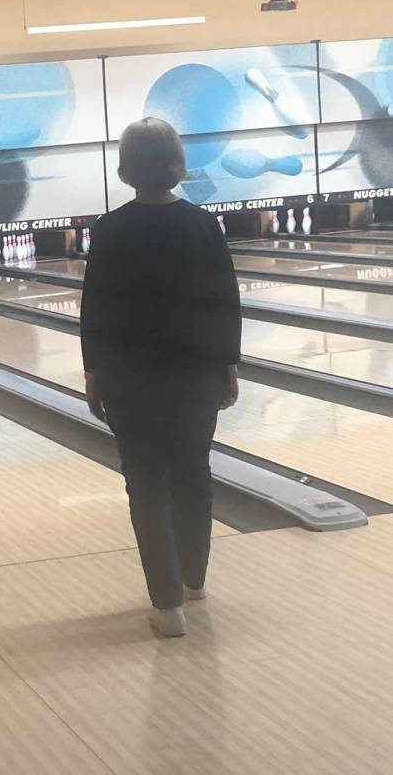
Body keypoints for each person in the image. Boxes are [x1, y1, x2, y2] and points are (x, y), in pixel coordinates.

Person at [80, 117, 241, 638]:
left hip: (130, 378)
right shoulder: (203, 224)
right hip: (195, 373)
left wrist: (93, 373)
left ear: (126, 168)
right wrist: (228, 365)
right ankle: (194, 581)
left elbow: (95, 311)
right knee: (194, 473)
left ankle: (167, 605)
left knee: (145, 483)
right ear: (177, 163)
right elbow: (225, 303)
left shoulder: (110, 229)